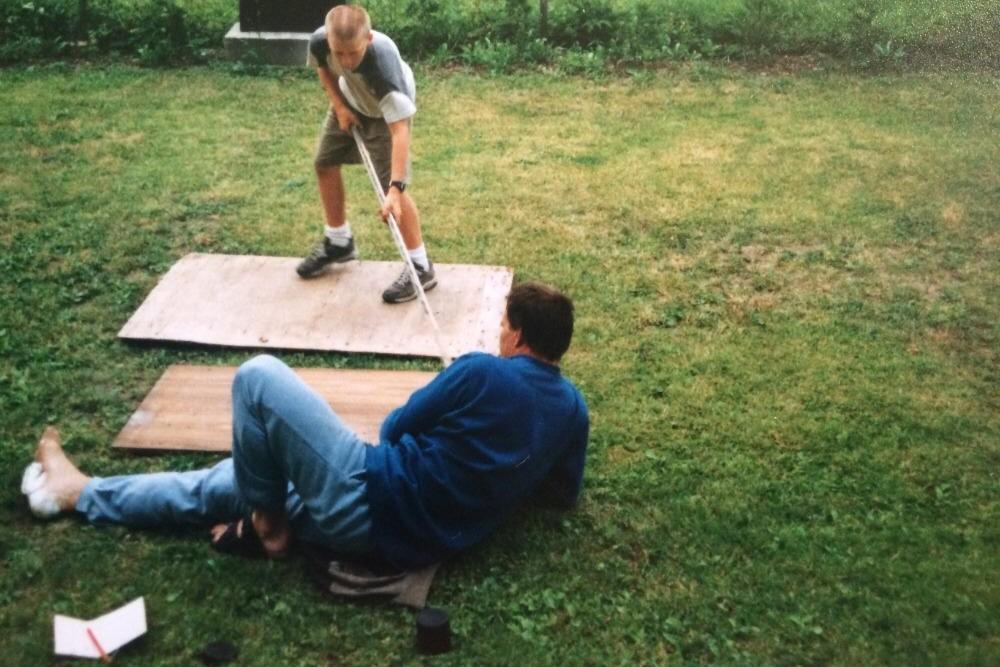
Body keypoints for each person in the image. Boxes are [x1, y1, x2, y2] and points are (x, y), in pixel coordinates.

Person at [23, 283, 589, 570]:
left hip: (370, 496)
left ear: (515, 337)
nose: (497, 335)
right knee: (227, 483)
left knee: (258, 377)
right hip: (406, 538)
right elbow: (560, 495)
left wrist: (459, 403)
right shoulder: (573, 410)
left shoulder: (482, 371)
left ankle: (267, 525)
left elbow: (394, 429)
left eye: (501, 326)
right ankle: (81, 495)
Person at [296, 4, 435, 305]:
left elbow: (400, 132)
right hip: (351, 101)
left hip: (386, 114)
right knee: (324, 162)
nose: (345, 61)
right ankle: (339, 242)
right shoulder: (322, 41)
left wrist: (396, 189)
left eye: (353, 53)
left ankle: (421, 265)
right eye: (339, 53)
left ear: (368, 39)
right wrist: (341, 107)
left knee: (391, 192)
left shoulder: (383, 70)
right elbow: (324, 67)